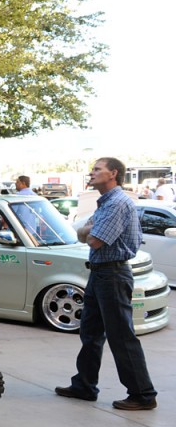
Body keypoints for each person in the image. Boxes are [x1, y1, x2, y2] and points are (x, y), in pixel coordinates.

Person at [55, 157, 157, 410]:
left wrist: (90, 230)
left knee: (121, 336)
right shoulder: (106, 203)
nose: (92, 173)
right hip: (100, 274)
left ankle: (143, 394)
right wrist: (90, 230)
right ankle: (84, 386)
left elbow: (94, 240)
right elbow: (81, 234)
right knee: (90, 333)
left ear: (113, 173)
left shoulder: (117, 204)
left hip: (112, 275)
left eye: (97, 169)